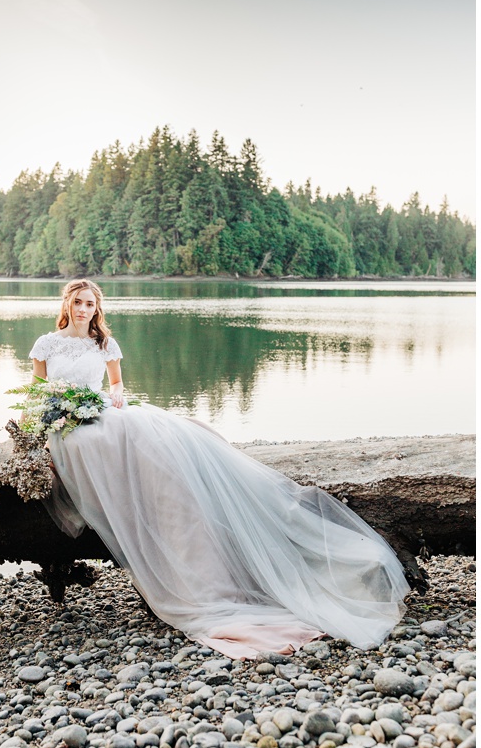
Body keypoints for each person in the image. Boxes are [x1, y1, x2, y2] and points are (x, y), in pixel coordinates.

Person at [28, 278, 409, 659]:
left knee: (160, 443)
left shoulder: (105, 344)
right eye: (77, 303)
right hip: (68, 426)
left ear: (97, 308)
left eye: (90, 304)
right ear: (67, 305)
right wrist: (54, 415)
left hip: (102, 413)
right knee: (91, 443)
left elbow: (118, 385)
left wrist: (115, 397)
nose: (83, 310)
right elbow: (35, 392)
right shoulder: (47, 344)